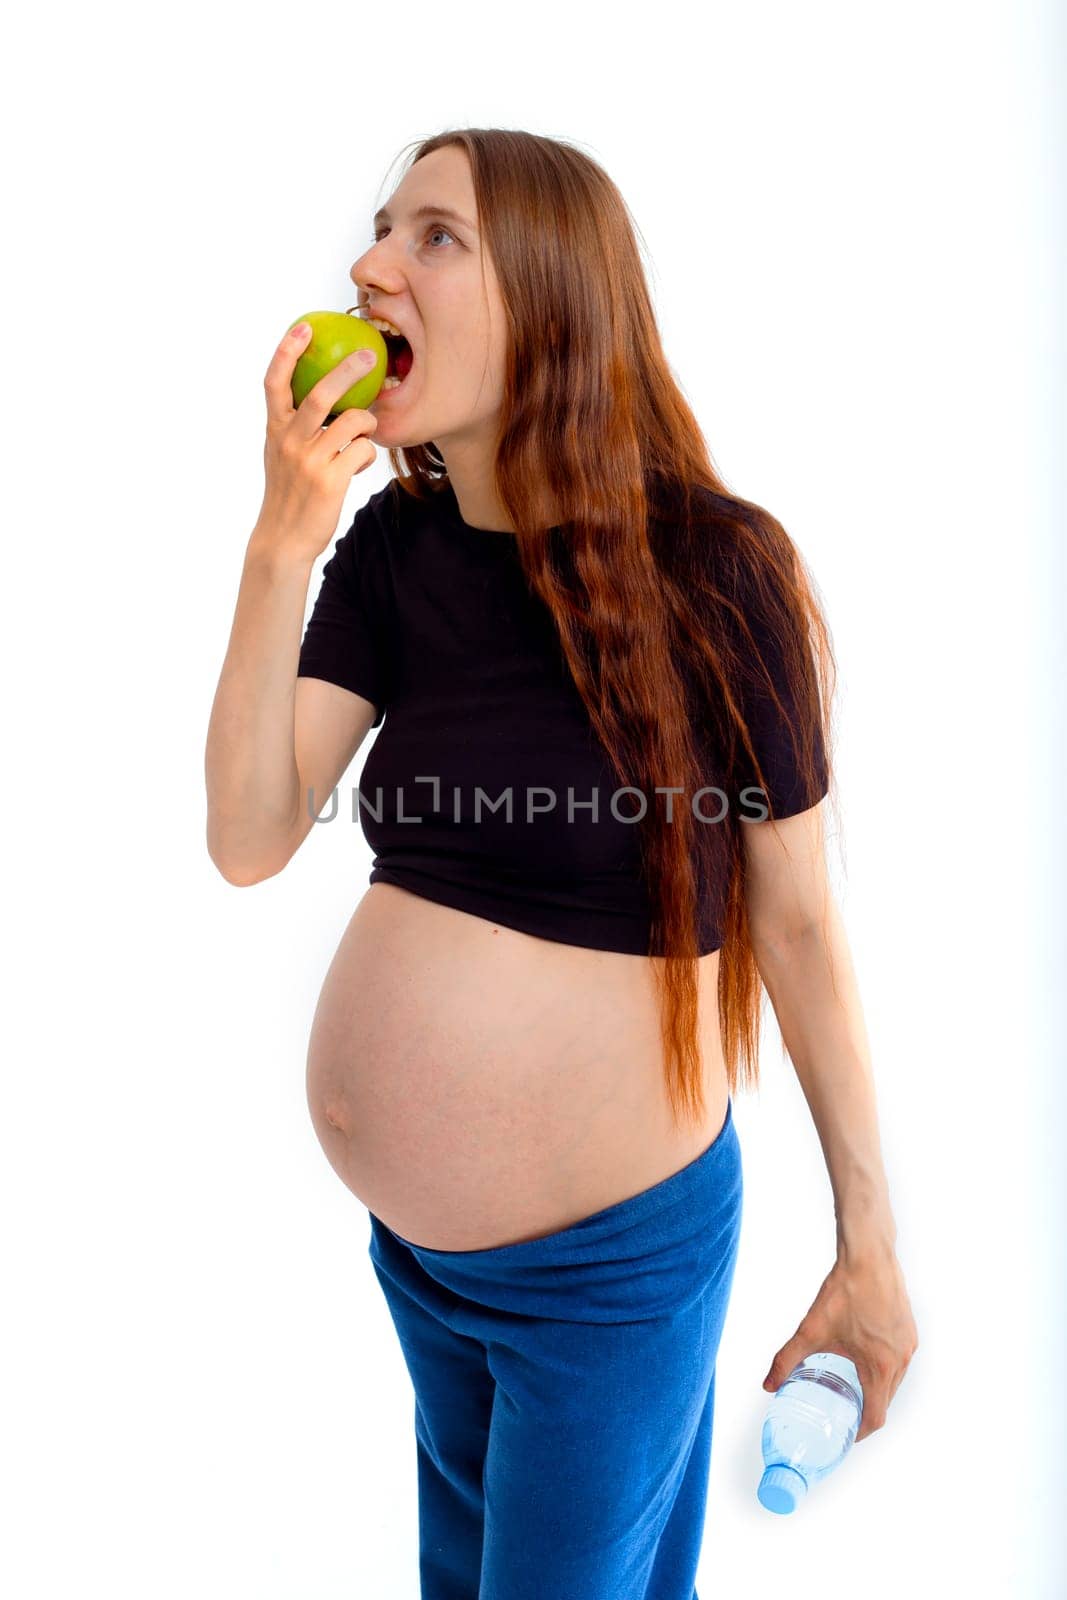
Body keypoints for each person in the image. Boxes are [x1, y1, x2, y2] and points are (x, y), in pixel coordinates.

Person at [205, 129, 919, 1600]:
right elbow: (249, 835)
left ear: (553, 302)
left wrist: (871, 1245)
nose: (369, 263)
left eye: (434, 236)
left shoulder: (722, 571)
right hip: (424, 1268)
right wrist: (284, 542)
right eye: (380, 228)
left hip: (609, 1284)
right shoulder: (395, 556)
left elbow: (797, 924)